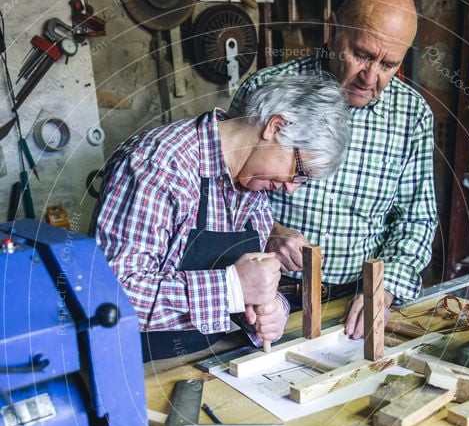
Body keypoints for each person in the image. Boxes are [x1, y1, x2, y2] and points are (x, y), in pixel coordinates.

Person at [230, 0, 438, 339]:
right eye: (361, 54)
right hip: (267, 297)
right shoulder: (266, 91)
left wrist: (383, 289)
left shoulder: (411, 115)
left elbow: (416, 220)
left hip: (354, 301)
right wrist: (268, 232)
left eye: (389, 64)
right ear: (332, 30)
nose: (370, 77)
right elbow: (222, 191)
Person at [94, 75, 349, 362]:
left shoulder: (253, 184)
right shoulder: (158, 164)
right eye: (299, 172)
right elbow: (110, 296)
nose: (291, 188)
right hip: (131, 365)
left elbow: (241, 285)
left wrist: (269, 308)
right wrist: (230, 288)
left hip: (203, 358)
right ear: (275, 127)